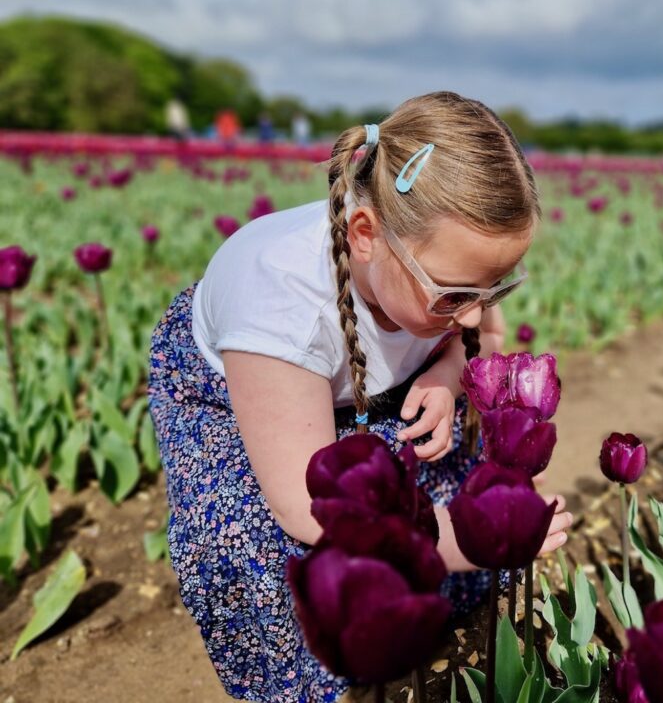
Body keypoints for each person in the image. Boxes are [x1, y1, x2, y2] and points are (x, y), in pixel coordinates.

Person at [147, 91, 573, 702]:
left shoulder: (422, 272)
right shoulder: (280, 306)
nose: (476, 313)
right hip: (237, 396)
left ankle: (424, 612)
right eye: (455, 294)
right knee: (258, 550)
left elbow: (473, 333)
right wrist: (473, 540)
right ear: (365, 234)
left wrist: (447, 370)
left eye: (494, 289)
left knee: (435, 468)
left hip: (352, 383)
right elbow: (306, 504)